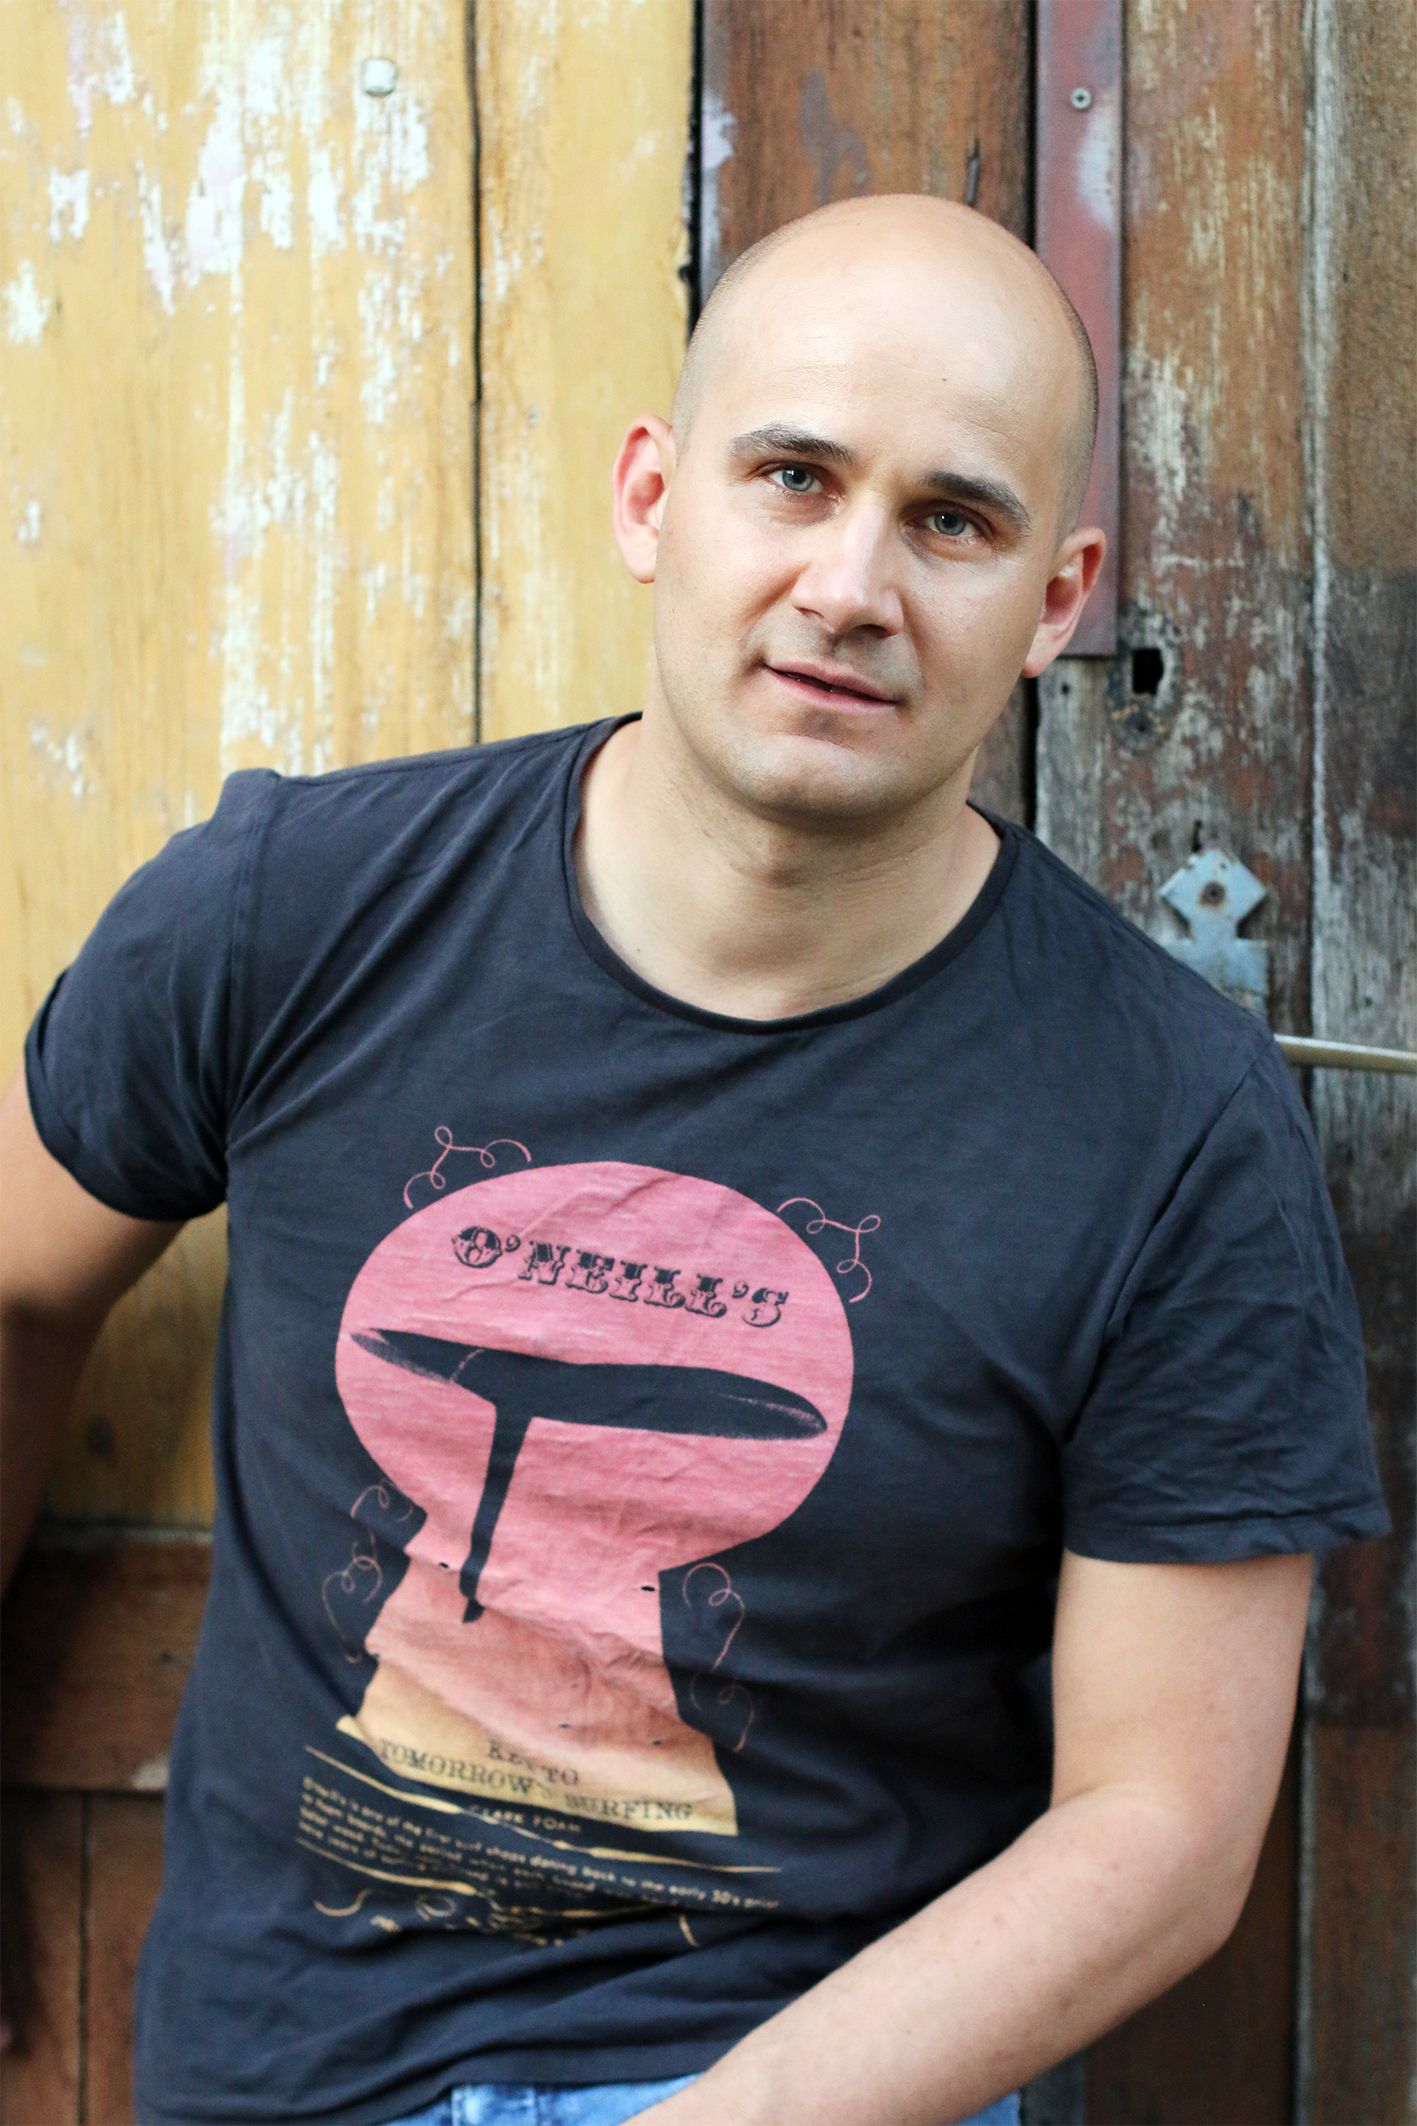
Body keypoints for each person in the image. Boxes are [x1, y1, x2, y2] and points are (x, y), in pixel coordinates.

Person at [0, 192, 1388, 2126]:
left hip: (814, 2081)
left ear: (1055, 599)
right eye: (793, 477)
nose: (850, 584)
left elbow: (1157, 1826)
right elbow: (16, 1286)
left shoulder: (1176, 1122)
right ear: (654, 495)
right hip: (293, 2075)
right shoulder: (290, 911)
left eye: (951, 521)